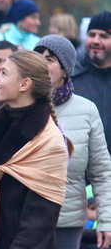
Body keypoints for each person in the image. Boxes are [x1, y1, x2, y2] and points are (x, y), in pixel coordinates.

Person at [0, 51, 69, 249]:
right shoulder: (1, 124)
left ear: (24, 84)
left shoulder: (49, 144)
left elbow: (37, 228)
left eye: (4, 73)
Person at [34, 35, 111, 249]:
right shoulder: (17, 105)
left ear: (66, 68)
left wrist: (106, 220)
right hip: (23, 219)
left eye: (49, 59)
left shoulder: (86, 110)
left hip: (67, 223)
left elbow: (102, 171)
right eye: (37, 57)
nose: (42, 64)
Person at [72, 11, 111, 154]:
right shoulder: (71, 77)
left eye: (104, 36)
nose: (95, 41)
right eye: (92, 35)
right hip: (82, 169)